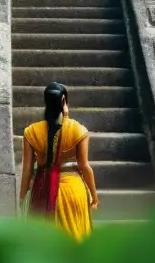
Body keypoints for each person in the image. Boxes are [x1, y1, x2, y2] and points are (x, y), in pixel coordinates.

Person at [19, 82, 99, 242]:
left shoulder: (31, 132)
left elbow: (27, 170)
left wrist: (22, 197)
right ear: (64, 101)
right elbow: (84, 166)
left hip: (43, 191)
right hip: (72, 190)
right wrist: (94, 196)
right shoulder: (78, 130)